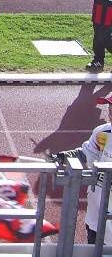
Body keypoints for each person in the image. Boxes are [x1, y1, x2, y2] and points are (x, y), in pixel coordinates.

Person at [52, 93, 112, 244]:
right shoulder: (102, 133)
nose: (111, 112)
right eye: (110, 107)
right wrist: (62, 157)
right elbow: (86, 154)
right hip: (96, 215)